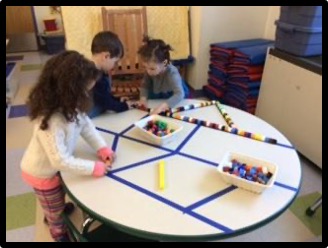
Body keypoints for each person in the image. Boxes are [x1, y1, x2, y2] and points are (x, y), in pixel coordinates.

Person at [21, 51, 115, 242]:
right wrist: (94, 167)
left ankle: (57, 207)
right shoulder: (52, 121)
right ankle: (58, 233)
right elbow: (60, 160)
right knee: (55, 213)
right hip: (42, 174)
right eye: (86, 90)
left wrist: (102, 148)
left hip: (55, 168)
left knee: (60, 195)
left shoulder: (71, 104)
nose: (88, 94)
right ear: (71, 90)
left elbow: (86, 125)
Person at [137, 36, 189, 115]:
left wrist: (163, 106)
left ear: (164, 63)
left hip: (173, 96)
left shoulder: (172, 73)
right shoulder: (150, 69)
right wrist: (143, 99)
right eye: (145, 67)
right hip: (157, 94)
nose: (148, 72)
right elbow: (145, 85)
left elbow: (179, 94)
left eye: (152, 69)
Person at [88, 31, 134, 118]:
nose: (115, 66)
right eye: (115, 62)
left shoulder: (94, 69)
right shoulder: (96, 75)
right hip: (88, 113)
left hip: (96, 104)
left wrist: (117, 99)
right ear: (106, 56)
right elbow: (105, 102)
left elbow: (103, 96)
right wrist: (124, 106)